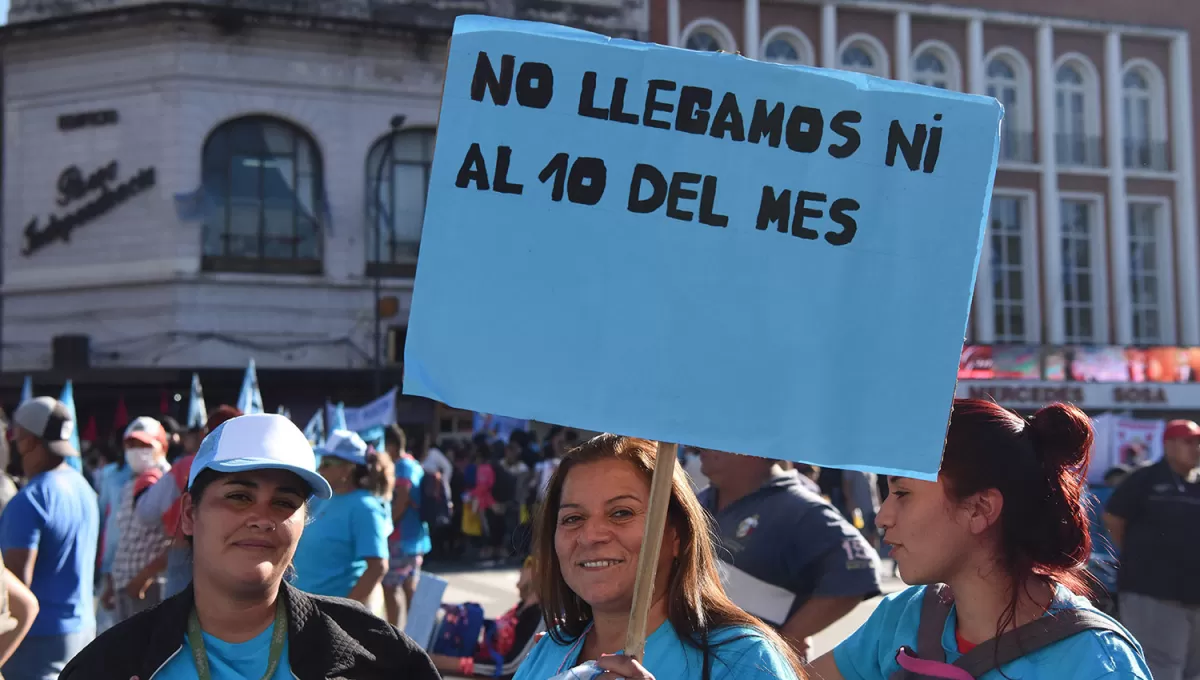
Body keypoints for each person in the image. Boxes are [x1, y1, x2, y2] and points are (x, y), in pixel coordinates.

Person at [61, 413, 439, 680]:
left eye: (284, 502)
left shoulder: (377, 657)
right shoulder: (109, 664)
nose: (262, 517)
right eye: (240, 496)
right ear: (190, 514)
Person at [811, 399, 1151, 680]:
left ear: (980, 509)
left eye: (902, 493)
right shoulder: (901, 617)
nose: (883, 517)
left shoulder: (1097, 663)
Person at [515, 434, 803, 680]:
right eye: (573, 518)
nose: (591, 536)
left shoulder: (743, 660)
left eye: (621, 513)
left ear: (676, 535)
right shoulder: (550, 650)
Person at [697, 450, 880, 661]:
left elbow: (859, 570)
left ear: (758, 450)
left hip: (751, 669)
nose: (703, 445)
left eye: (722, 435)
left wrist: (787, 639)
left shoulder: (801, 510)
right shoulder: (703, 498)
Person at [0, 397, 100, 679]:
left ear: (28, 441)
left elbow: (15, 588)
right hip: (82, 630)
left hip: (34, 642)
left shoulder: (29, 500)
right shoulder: (82, 487)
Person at [1104, 419, 1200, 680]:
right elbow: (1113, 519)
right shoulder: (1144, 479)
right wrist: (1139, 558)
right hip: (1153, 593)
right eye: (1188, 442)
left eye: (1198, 442)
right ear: (1168, 445)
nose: (1196, 448)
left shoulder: (1197, 482)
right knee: (1160, 670)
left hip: (1194, 595)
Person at [136, 405, 243, 599]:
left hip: (185, 557)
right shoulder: (250, 469)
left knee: (177, 625)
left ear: (205, 433)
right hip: (235, 560)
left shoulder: (188, 465)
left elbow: (146, 512)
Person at [291, 429, 394, 603]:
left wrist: (345, 611)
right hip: (303, 605)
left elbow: (378, 567)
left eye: (327, 463)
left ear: (347, 469)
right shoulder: (321, 497)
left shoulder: (365, 507)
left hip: (331, 613)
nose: (320, 467)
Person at [104, 416, 173, 622]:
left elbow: (179, 540)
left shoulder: (171, 482)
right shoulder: (128, 485)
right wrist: (111, 582)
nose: (136, 450)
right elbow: (125, 539)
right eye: (131, 444)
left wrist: (145, 577)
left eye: (144, 444)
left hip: (151, 587)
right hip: (124, 585)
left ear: (162, 447)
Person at [430, 556, 544, 679]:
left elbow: (512, 667)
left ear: (539, 573)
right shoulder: (520, 607)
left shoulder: (539, 615)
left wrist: (449, 663)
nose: (520, 570)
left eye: (527, 564)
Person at [382, 424, 432, 629]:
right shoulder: (414, 463)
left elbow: (401, 499)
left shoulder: (402, 467)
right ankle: (415, 636)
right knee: (409, 587)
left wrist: (386, 526)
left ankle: (394, 639)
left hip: (401, 538)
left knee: (390, 588)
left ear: (391, 446)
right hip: (415, 538)